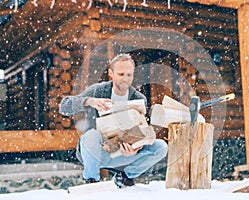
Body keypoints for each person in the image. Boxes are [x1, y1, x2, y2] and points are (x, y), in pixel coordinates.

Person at [59, 53, 168, 188]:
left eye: (129, 75)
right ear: (111, 73)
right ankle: (92, 181)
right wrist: (89, 101)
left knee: (161, 147)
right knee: (90, 135)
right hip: (97, 152)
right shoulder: (98, 91)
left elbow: (141, 131)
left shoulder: (139, 98)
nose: (125, 79)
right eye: (121, 74)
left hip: (122, 155)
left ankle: (126, 177)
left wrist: (136, 147)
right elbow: (64, 106)